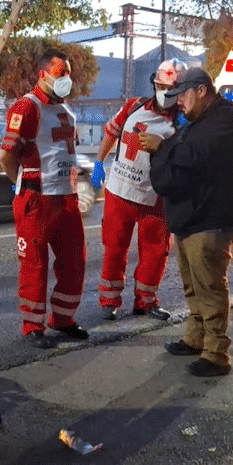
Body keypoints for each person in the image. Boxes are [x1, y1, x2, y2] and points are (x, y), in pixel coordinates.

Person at [145, 67, 233, 377]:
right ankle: (196, 337)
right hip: (191, 216)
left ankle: (217, 353)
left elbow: (196, 154)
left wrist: (162, 146)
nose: (178, 104)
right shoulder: (197, 121)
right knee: (193, 285)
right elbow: (184, 152)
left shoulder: (227, 118)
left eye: (183, 96)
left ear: (201, 90)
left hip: (212, 217)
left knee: (210, 287)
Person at [0, 49, 88, 348]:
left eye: (68, 73)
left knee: (74, 261)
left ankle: (63, 319)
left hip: (67, 197)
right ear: (43, 74)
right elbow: (6, 156)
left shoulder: (66, 110)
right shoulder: (27, 107)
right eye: (61, 73)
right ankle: (32, 325)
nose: (67, 79)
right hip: (38, 201)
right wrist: (24, 184)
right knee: (34, 264)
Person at [92, 58, 187, 322]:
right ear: (153, 83)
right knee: (114, 249)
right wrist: (99, 161)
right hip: (119, 192)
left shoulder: (182, 123)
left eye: (171, 88)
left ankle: (146, 302)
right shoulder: (133, 106)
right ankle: (109, 301)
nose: (165, 93)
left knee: (155, 253)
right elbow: (111, 133)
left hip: (155, 198)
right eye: (160, 86)